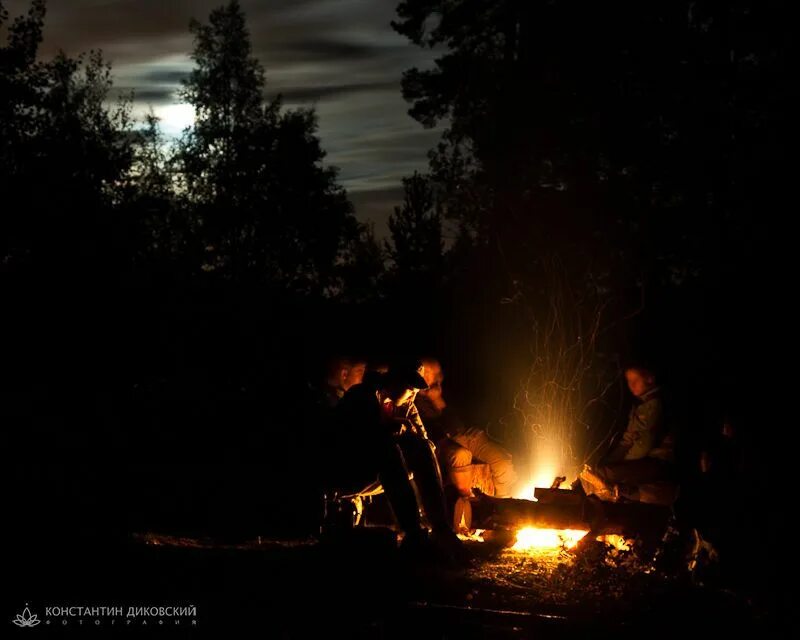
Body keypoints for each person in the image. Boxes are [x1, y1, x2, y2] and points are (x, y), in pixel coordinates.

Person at [333, 362, 466, 563]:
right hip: (346, 470)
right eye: (410, 389)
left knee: (419, 447)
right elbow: (350, 440)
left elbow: (426, 443)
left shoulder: (406, 406)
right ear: (394, 382)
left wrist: (408, 433)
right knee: (386, 447)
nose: (413, 395)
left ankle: (441, 529)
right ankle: (413, 532)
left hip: (382, 472)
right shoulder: (362, 396)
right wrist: (388, 429)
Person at [416, 359, 517, 499]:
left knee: (503, 462)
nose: (426, 375)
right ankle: (471, 503)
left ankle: (503, 504)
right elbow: (429, 428)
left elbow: (456, 423)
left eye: (431, 372)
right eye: (423, 371)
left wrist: (438, 400)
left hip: (462, 435)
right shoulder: (411, 395)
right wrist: (433, 400)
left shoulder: (443, 389)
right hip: (437, 440)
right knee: (461, 455)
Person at [580, 364, 676, 502]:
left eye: (635, 380)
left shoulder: (655, 407)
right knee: (596, 472)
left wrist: (620, 464)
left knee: (602, 474)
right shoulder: (641, 406)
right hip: (644, 462)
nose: (631, 385)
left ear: (650, 379)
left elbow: (644, 445)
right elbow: (628, 439)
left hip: (656, 463)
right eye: (629, 381)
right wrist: (611, 460)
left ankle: (603, 506)